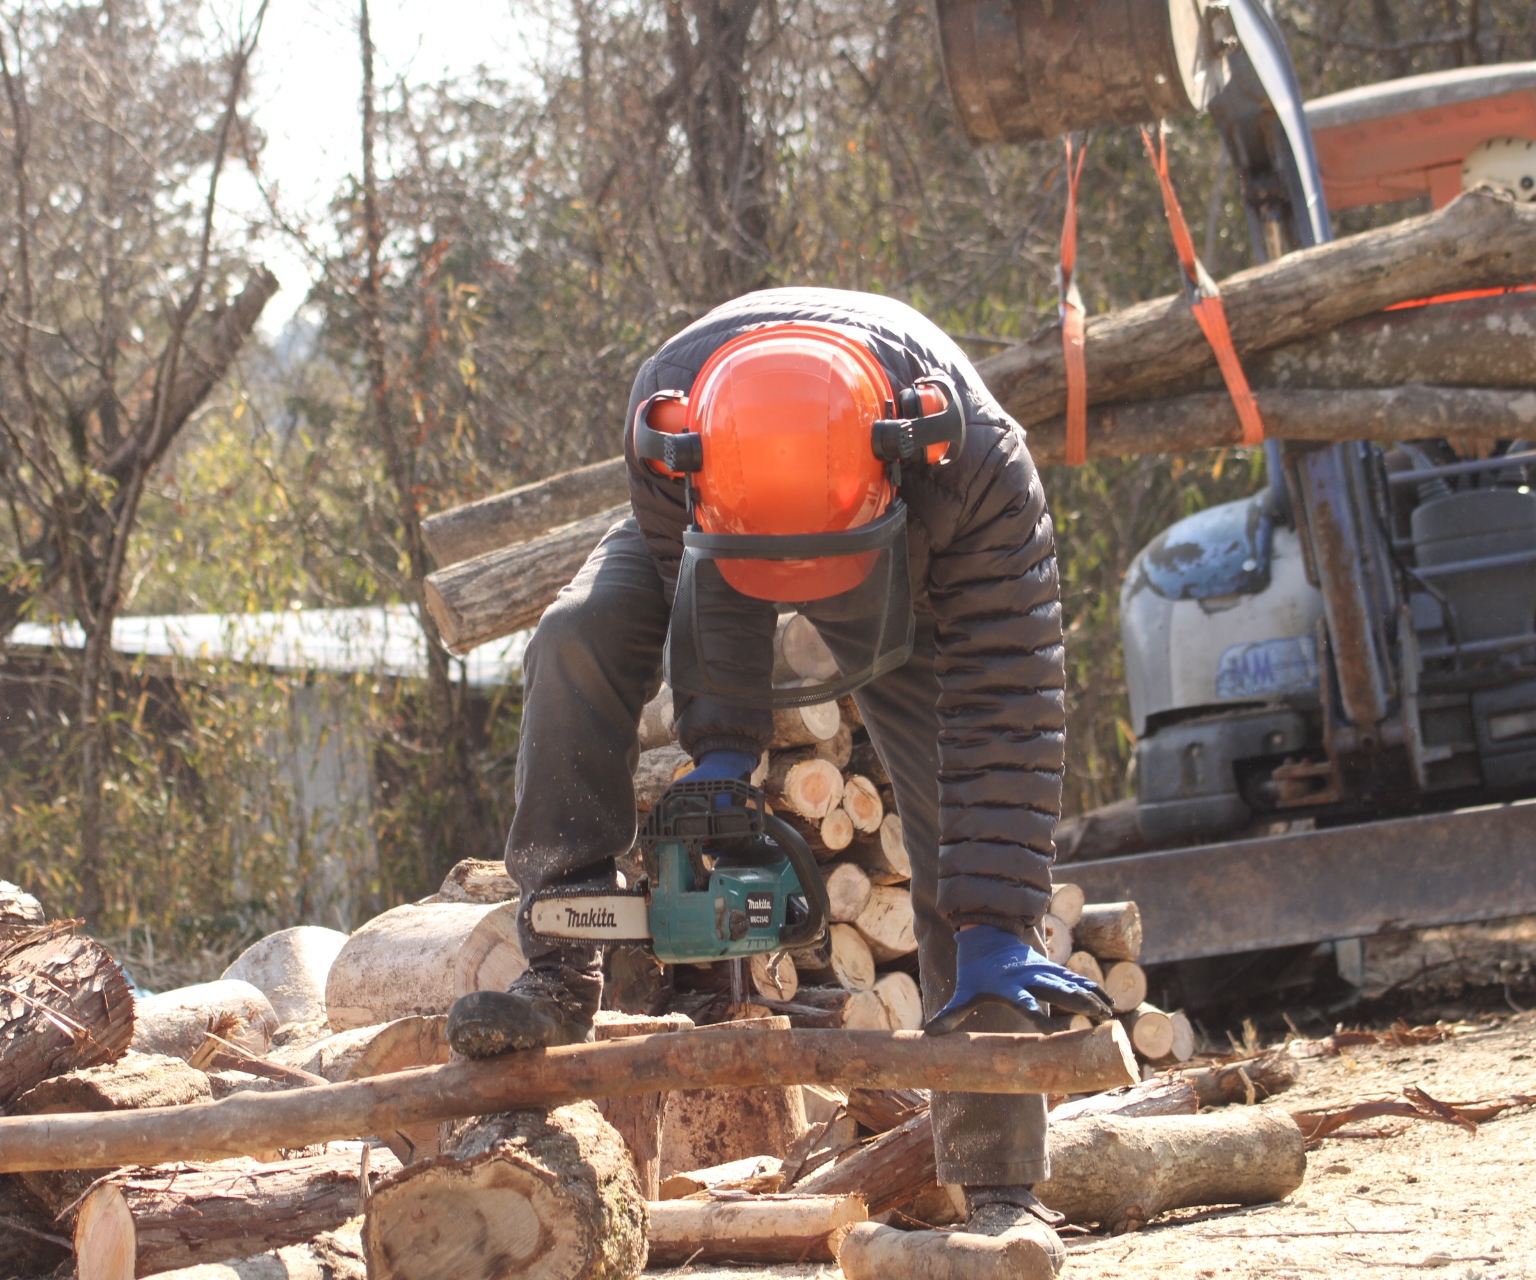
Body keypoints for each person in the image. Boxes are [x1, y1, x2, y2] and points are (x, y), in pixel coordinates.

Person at [447, 286, 1109, 1270]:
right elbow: (698, 599)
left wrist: (995, 919)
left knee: (958, 862)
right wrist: (721, 760)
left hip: (917, 581)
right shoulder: (673, 427)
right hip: (728, 543)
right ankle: (558, 961)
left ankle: (1001, 1185)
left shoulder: (975, 470)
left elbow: (1006, 719)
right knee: (574, 637)